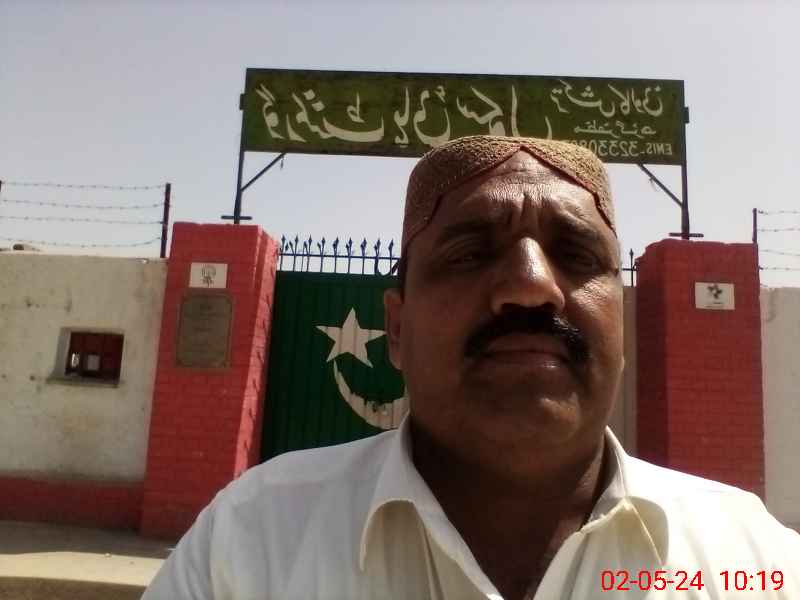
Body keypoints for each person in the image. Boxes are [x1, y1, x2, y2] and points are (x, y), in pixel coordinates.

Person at [143, 135, 799, 600]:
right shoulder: (252, 545)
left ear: (621, 325)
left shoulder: (751, 561)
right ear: (396, 329)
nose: (532, 285)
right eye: (468, 254)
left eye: (576, 254)